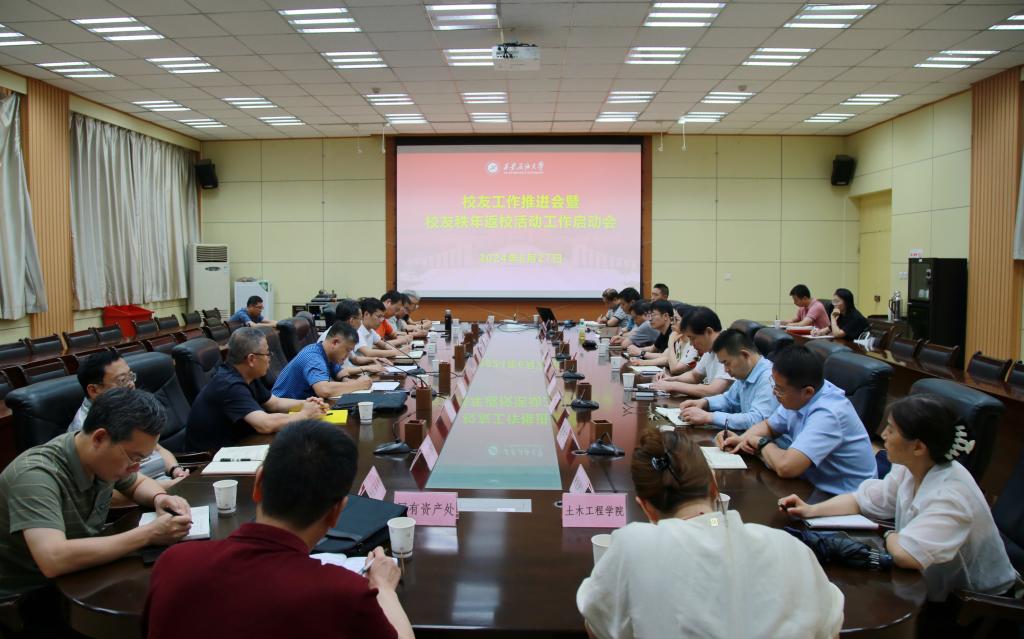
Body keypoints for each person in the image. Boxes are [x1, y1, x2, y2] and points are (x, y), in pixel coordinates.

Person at [144, 420, 414, 639]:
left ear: (258, 484)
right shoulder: (344, 594)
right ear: (337, 512)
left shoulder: (173, 564)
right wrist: (383, 589)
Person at [577, 428, 844, 639]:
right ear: (714, 488)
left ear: (646, 507)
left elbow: (597, 623)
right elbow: (830, 626)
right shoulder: (790, 548)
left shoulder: (633, 546)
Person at [779, 395, 1018, 621]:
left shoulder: (951, 495)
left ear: (918, 447)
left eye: (891, 430)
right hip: (930, 584)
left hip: (972, 609)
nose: (883, 434)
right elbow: (862, 500)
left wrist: (890, 535)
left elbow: (906, 556)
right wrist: (811, 510)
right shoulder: (911, 466)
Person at [0, 388, 192, 601]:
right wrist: (148, 534)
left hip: (84, 574)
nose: (135, 467)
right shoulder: (35, 475)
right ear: (100, 437)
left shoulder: (99, 458)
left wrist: (160, 498)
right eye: (133, 457)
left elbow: (138, 483)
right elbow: (53, 559)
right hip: (30, 596)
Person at [718, 345, 876, 497]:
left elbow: (786, 467)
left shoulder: (829, 413)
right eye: (774, 385)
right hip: (812, 486)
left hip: (844, 500)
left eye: (780, 389)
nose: (774, 393)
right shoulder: (798, 395)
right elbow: (769, 426)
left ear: (807, 392)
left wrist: (761, 443)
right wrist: (741, 440)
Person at [185, 327, 331, 451]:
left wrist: (306, 404)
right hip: (210, 461)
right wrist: (305, 414)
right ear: (251, 359)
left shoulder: (247, 375)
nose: (269, 358)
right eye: (267, 354)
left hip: (240, 445)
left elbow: (274, 403)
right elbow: (265, 425)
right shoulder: (229, 385)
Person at [68, 351, 187, 488]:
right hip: (142, 496)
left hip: (166, 483)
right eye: (122, 380)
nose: (131, 384)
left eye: (131, 376)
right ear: (94, 390)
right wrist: (168, 486)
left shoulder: (129, 408)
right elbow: (107, 492)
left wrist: (175, 470)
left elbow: (158, 449)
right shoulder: (86, 430)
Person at [679, 329, 777, 431]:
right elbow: (729, 400)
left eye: (727, 363)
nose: (726, 370)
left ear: (745, 355)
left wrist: (710, 417)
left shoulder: (769, 378)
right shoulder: (746, 373)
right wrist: (705, 402)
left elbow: (757, 420)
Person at [272, 322, 373, 401]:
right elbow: (324, 390)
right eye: (347, 350)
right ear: (335, 342)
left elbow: (340, 372)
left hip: (302, 406)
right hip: (283, 411)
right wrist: (358, 385)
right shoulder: (313, 356)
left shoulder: (327, 354)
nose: (347, 356)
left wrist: (346, 380)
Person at [650, 306, 733, 398]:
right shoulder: (710, 347)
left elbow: (713, 391)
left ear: (708, 331)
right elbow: (695, 376)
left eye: (692, 338)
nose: (691, 344)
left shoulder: (728, 347)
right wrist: (670, 379)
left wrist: (673, 386)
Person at [351, 297, 406, 363]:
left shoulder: (370, 330)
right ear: (366, 314)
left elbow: (384, 345)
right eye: (379, 316)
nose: (382, 320)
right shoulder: (358, 330)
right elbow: (368, 353)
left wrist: (398, 351)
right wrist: (396, 352)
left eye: (382, 316)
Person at [626, 300, 674, 366]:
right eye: (650, 315)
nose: (650, 319)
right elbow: (653, 348)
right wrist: (636, 350)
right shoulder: (663, 332)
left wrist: (641, 353)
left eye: (653, 315)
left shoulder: (673, 332)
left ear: (665, 316)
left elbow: (665, 356)